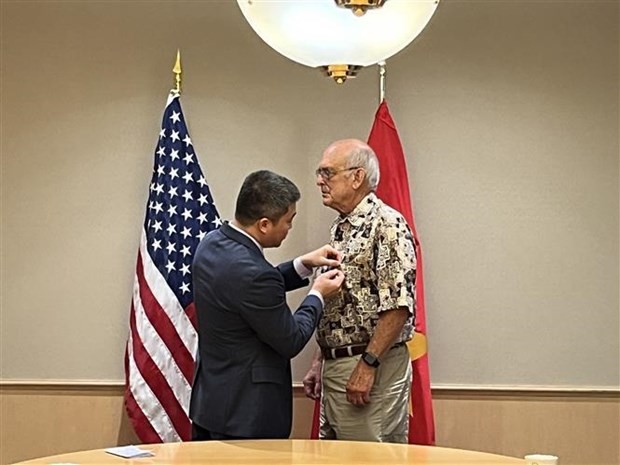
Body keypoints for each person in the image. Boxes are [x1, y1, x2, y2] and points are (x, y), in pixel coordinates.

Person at [190, 169, 345, 441]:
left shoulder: (212, 244)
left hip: (211, 405)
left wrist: (303, 264)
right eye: (289, 220)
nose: (290, 228)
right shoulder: (254, 274)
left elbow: (248, 293)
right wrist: (317, 294)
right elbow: (291, 340)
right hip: (248, 416)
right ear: (264, 224)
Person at [302, 139, 417, 443]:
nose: (319, 181)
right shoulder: (342, 227)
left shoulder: (386, 224)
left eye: (327, 173)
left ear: (357, 177)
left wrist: (367, 366)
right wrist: (320, 360)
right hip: (338, 366)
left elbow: (397, 307)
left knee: (366, 459)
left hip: (370, 367)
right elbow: (340, 307)